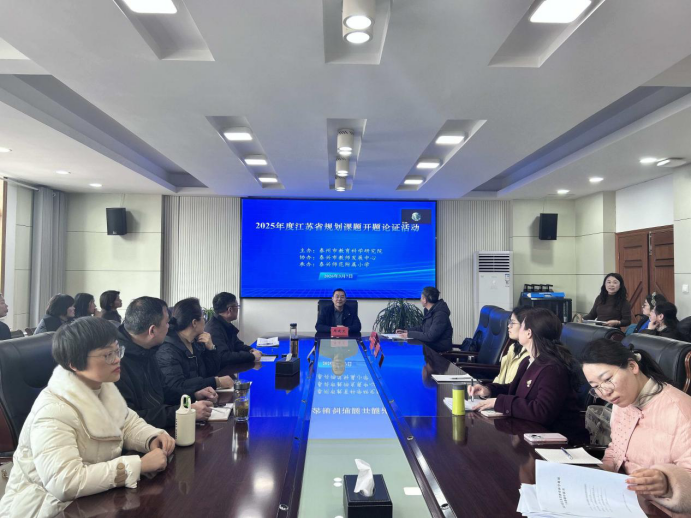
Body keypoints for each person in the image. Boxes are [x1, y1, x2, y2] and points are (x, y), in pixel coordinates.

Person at [0, 318, 175, 517]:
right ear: (75, 363)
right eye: (108, 355)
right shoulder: (53, 411)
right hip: (47, 508)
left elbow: (127, 423)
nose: (117, 359)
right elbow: (65, 482)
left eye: (117, 351)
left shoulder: (101, 387)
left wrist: (151, 437)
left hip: (89, 501)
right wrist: (139, 466)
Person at [581, 339, 691, 515]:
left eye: (608, 379)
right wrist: (599, 472)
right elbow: (616, 449)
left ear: (632, 366)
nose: (605, 392)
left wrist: (667, 483)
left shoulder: (682, 412)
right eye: (596, 387)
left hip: (660, 512)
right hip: (622, 502)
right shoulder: (622, 401)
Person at [469, 308, 588, 443]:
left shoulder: (552, 369)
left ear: (529, 333)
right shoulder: (528, 360)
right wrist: (489, 390)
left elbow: (542, 412)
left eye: (521, 326)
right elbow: (514, 389)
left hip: (557, 442)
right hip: (532, 433)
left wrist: (499, 402)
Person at [115, 297, 214, 428]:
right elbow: (130, 420)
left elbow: (164, 392)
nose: (170, 327)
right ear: (152, 330)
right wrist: (184, 412)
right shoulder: (115, 361)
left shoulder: (147, 349)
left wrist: (193, 395)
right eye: (167, 323)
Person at [155, 297, 233, 396]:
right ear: (194, 322)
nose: (205, 321)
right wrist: (216, 382)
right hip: (181, 403)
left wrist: (211, 349)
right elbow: (176, 386)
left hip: (200, 398)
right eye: (203, 317)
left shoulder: (196, 342)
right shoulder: (167, 350)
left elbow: (211, 373)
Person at [205, 292, 261, 367]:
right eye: (237, 306)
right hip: (221, 371)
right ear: (230, 309)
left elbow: (237, 344)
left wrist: (251, 350)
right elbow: (224, 357)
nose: (238, 309)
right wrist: (252, 356)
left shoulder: (225, 324)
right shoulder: (214, 329)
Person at [396, 287, 453, 353]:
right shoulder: (430, 311)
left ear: (425, 300)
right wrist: (406, 331)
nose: (420, 299)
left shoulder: (440, 315)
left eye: (421, 297)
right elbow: (423, 328)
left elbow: (430, 337)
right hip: (430, 348)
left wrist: (409, 334)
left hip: (439, 352)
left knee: (409, 350)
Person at [493, 306, 532, 384]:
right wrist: (488, 388)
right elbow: (500, 378)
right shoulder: (512, 348)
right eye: (509, 322)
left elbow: (514, 387)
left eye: (513, 323)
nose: (509, 326)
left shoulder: (530, 356)